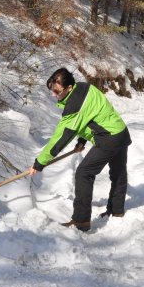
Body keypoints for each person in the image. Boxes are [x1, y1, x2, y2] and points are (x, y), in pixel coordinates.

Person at [29, 68, 131, 232]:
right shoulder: (84, 87)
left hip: (108, 138)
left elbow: (61, 137)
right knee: (118, 173)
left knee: (84, 173)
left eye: (56, 91)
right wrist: (82, 140)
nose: (54, 95)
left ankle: (81, 220)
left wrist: (40, 162)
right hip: (120, 131)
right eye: (51, 90)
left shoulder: (74, 105)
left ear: (69, 87)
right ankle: (117, 210)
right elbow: (92, 114)